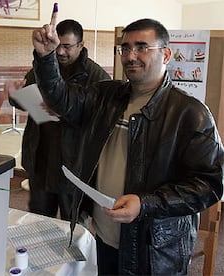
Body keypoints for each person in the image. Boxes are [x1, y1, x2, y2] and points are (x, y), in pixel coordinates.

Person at [32, 14, 223, 275]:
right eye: (125, 48)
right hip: (104, 234)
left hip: (153, 249)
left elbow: (210, 184)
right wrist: (46, 58)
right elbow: (60, 100)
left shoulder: (190, 114)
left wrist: (146, 204)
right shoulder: (106, 96)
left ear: (166, 55)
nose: (131, 56)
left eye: (142, 47)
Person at [10, 19, 110, 221]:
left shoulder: (97, 77)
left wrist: (66, 110)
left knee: (74, 226)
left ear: (81, 45)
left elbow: (102, 123)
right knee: (38, 221)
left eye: (67, 46)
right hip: (41, 159)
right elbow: (24, 99)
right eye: (57, 46)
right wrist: (15, 96)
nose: (60, 52)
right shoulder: (43, 66)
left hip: (74, 167)